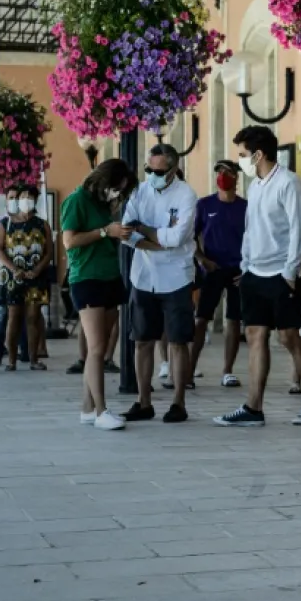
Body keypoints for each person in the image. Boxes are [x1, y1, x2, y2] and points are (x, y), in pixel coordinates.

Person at [215, 126, 301, 427]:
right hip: (255, 272)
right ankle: (253, 407)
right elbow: (251, 228)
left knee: (289, 337)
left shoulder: (289, 184)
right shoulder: (256, 186)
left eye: (243, 155)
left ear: (259, 154)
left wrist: (290, 272)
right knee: (255, 334)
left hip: (282, 273)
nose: (242, 162)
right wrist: (246, 265)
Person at [120, 144, 198, 423]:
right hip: (143, 275)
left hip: (176, 276)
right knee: (141, 340)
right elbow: (125, 231)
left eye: (159, 171)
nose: (152, 174)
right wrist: (154, 241)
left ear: (173, 170)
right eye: (149, 169)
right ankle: (143, 401)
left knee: (178, 341)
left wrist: (145, 231)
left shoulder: (186, 195)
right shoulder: (139, 192)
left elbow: (177, 238)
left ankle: (178, 402)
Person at [61, 159, 136, 429]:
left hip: (109, 275)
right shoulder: (77, 200)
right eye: (116, 187)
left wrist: (119, 232)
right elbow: (69, 240)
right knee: (96, 349)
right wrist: (105, 231)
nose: (117, 193)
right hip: (87, 277)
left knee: (102, 346)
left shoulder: (104, 204)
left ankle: (87, 408)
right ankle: (102, 409)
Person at [191, 159, 246, 388]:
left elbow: (255, 238)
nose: (223, 176)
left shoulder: (246, 207)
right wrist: (203, 259)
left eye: (227, 172)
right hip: (212, 269)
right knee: (201, 319)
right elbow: (190, 237)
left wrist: (248, 268)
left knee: (233, 320)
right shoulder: (204, 205)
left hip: (237, 271)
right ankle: (189, 370)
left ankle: (227, 371)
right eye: (219, 172)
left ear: (236, 178)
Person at [0, 183, 53, 371]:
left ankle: (33, 358)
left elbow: (48, 252)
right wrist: (13, 268)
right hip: (13, 277)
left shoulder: (42, 224)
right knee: (14, 317)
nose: (26, 200)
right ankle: (11, 360)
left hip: (36, 276)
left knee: (33, 317)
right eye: (22, 197)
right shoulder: (6, 223)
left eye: (30, 197)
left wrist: (37, 269)